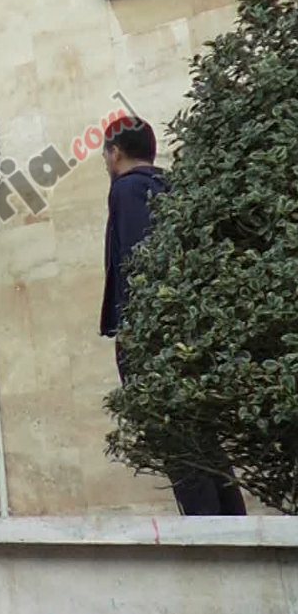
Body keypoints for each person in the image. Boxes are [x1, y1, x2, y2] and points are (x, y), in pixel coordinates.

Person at [101, 118, 247, 516]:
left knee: (177, 445)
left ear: (115, 153)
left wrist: (136, 333)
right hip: (185, 333)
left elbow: (136, 260)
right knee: (204, 444)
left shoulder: (127, 190)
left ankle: (210, 535)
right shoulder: (168, 186)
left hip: (152, 340)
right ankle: (231, 526)